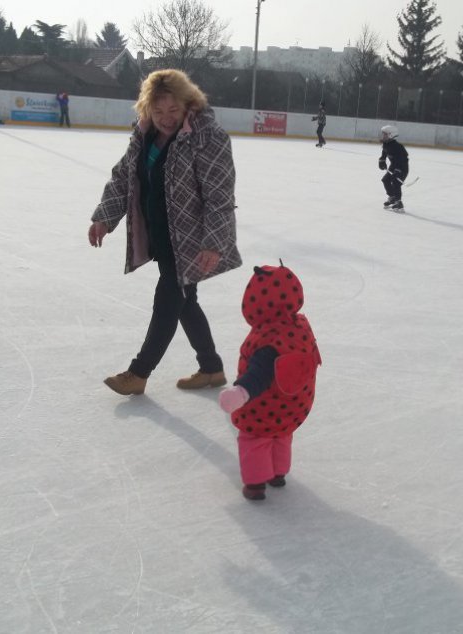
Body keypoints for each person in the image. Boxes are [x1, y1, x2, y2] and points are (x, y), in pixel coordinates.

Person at [88, 68, 242, 396]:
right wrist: (105, 217)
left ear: (189, 104)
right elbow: (123, 178)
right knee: (185, 302)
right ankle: (211, 368)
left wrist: (214, 242)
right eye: (158, 111)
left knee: (168, 300)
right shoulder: (144, 134)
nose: (166, 118)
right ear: (147, 109)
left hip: (192, 241)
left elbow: (220, 196)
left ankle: (139, 372)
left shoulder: (207, 136)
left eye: (174, 110)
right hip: (161, 234)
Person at [218, 262, 321, 501]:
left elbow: (259, 375)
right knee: (281, 435)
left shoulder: (268, 340)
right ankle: (278, 473)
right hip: (295, 402)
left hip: (265, 405)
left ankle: (255, 484)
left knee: (255, 438)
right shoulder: (300, 326)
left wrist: (240, 392)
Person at [378, 124, 409, 211]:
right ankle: (392, 197)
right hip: (393, 166)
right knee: (385, 180)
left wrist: (398, 170)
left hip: (402, 167)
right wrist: (382, 161)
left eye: (385, 134)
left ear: (391, 135)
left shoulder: (398, 147)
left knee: (396, 182)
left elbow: (403, 160)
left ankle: (399, 202)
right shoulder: (385, 144)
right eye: (383, 134)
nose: (383, 136)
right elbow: (383, 154)